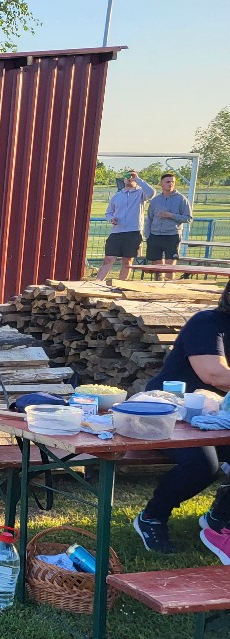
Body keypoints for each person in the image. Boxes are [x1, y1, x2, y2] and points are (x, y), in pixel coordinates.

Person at [133, 279, 230, 557]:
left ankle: (219, 517)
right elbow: (213, 374)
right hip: (171, 413)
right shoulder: (207, 323)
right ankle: (152, 517)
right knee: (203, 465)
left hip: (217, 415)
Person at [97, 171, 156, 281]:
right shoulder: (117, 195)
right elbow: (108, 212)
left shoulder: (141, 193)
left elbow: (152, 192)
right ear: (124, 180)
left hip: (133, 232)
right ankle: (98, 282)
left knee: (127, 260)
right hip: (116, 232)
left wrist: (137, 179)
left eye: (132, 176)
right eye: (128, 176)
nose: (130, 178)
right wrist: (111, 219)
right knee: (108, 259)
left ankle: (121, 284)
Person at [144, 173, 193, 282]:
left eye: (173, 182)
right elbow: (149, 218)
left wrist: (171, 216)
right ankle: (158, 285)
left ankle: (169, 285)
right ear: (161, 183)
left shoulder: (181, 199)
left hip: (172, 235)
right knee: (157, 265)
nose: (170, 184)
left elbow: (188, 218)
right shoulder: (155, 200)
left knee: (170, 265)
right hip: (155, 235)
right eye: (168, 182)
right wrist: (147, 235)